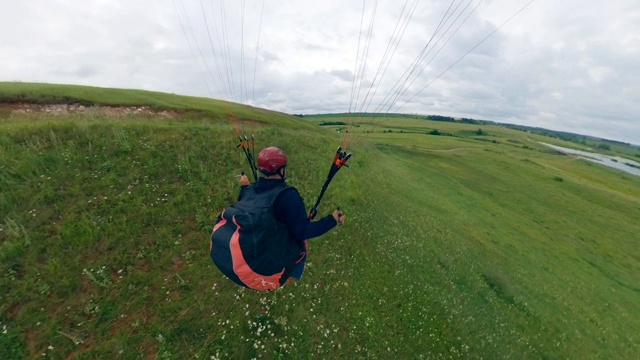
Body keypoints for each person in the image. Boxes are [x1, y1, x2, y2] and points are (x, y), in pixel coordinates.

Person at [210, 146, 345, 290]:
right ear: (281, 170)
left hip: (257, 241)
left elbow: (245, 203)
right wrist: (332, 219)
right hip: (270, 258)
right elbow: (303, 232)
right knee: (299, 244)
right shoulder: (288, 196)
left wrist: (244, 188)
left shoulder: (250, 189)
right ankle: (288, 274)